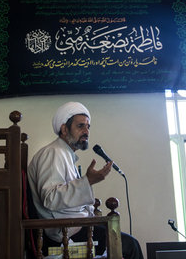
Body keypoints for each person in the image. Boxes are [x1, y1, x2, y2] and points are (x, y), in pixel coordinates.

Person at [27, 101, 144, 258]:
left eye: (88, 127)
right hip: (63, 234)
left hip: (74, 228)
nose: (86, 131)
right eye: (80, 126)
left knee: (127, 242)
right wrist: (87, 181)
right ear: (64, 128)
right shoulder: (53, 153)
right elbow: (50, 198)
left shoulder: (65, 154)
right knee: (129, 245)